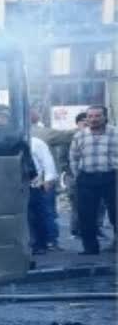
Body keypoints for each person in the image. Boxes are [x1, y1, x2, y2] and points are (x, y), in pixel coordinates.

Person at [69, 105, 117, 255]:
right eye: (90, 116)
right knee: (86, 215)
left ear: (104, 117)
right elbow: (74, 157)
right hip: (87, 179)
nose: (93, 119)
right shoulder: (80, 136)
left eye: (97, 116)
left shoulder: (115, 133)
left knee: (116, 213)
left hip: (112, 177)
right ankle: (90, 248)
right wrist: (78, 175)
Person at [27, 134, 59, 254]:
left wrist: (49, 179)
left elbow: (47, 161)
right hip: (15, 186)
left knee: (38, 215)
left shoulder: (36, 142)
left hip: (35, 185)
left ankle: (41, 244)